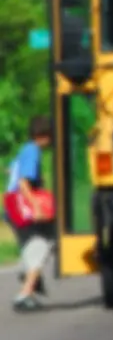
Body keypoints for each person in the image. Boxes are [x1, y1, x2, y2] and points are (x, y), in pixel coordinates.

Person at [4, 115, 54, 312]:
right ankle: (25, 292)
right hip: (21, 205)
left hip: (10, 205)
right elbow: (24, 182)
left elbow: (12, 171)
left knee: (29, 245)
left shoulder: (25, 149)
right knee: (42, 243)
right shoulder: (33, 151)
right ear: (43, 136)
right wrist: (38, 207)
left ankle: (30, 285)